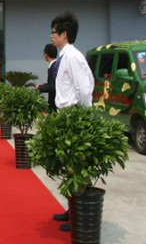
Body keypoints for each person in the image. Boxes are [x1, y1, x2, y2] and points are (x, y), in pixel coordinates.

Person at [49, 12, 95, 231]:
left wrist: (84, 117)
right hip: (66, 114)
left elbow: (84, 88)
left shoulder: (73, 57)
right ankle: (72, 208)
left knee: (77, 166)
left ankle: (79, 214)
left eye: (54, 32)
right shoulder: (64, 56)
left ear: (64, 34)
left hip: (74, 114)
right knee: (70, 166)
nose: (51, 36)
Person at [35, 44, 58, 112]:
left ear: (46, 55)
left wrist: (40, 87)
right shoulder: (57, 65)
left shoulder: (53, 67)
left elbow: (53, 86)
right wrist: (44, 85)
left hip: (55, 103)